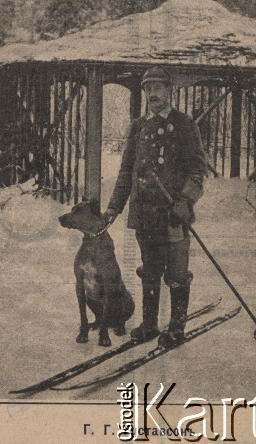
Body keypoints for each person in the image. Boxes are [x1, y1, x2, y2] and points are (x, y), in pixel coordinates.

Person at [104, 67, 208, 348]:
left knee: (176, 272)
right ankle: (149, 324)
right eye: (148, 89)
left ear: (169, 90)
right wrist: (114, 207)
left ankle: (176, 327)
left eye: (158, 88)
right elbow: (126, 171)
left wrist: (185, 201)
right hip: (144, 215)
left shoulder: (185, 124)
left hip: (174, 215)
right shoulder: (137, 127)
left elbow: (197, 170)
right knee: (149, 270)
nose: (153, 94)